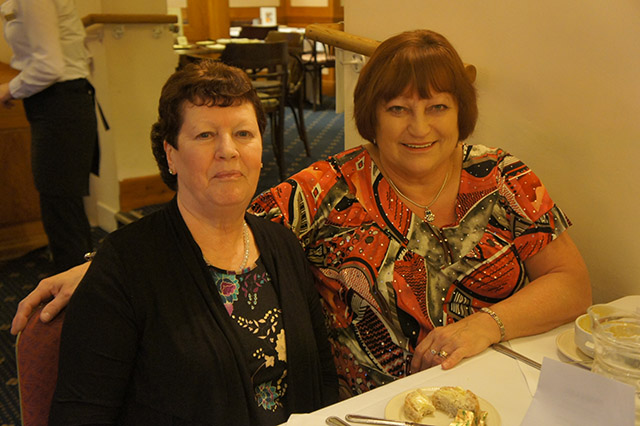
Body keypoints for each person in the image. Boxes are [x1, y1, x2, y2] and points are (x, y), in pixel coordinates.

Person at [13, 30, 591, 400]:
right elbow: (212, 224)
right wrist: (101, 266)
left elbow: (572, 284)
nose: (419, 128)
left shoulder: (502, 176)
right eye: (398, 109)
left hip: (497, 385)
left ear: (460, 113)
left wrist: (485, 325)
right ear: (371, 116)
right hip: (377, 407)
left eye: (437, 107)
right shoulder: (328, 190)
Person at [47, 61, 337, 425]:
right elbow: (79, 416)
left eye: (243, 133)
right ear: (171, 154)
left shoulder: (283, 246)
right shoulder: (124, 268)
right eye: (205, 135)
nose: (228, 150)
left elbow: (323, 378)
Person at [0, 0, 99, 272]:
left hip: (60, 104)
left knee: (61, 209)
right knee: (62, 206)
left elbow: (49, 67)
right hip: (57, 103)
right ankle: (79, 281)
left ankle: (76, 287)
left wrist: (9, 89)